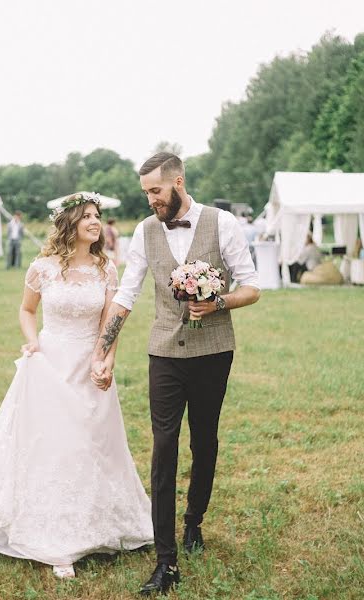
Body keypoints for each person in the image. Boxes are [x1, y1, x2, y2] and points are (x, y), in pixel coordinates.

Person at [90, 152, 260, 595]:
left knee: (204, 440)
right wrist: (103, 350)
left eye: (156, 191)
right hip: (164, 351)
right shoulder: (145, 233)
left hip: (214, 351)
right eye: (145, 192)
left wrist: (218, 302)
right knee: (164, 446)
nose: (150, 199)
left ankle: (194, 522)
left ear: (178, 182)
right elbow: (127, 293)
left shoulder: (222, 224)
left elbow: (251, 286)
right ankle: (165, 559)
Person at [0, 192, 153, 580]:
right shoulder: (43, 267)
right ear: (69, 222)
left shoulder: (107, 269)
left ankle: (100, 525)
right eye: (87, 216)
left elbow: (110, 320)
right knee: (54, 446)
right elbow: (26, 309)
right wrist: (32, 340)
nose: (95, 221)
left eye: (97, 216)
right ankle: (57, 541)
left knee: (94, 443)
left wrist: (107, 358)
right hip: (49, 365)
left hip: (90, 362)